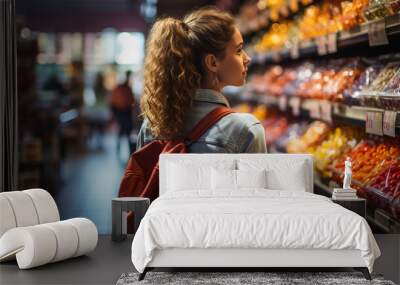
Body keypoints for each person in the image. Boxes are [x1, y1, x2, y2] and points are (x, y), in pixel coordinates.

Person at [137, 7, 267, 153]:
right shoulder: (245, 130)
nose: (247, 58)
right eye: (238, 50)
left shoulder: (151, 127)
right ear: (212, 63)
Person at [110, 70, 135, 154]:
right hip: (122, 112)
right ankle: (124, 147)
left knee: (125, 130)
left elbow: (131, 101)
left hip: (125, 112)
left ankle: (127, 148)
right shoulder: (122, 88)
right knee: (124, 129)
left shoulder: (126, 88)